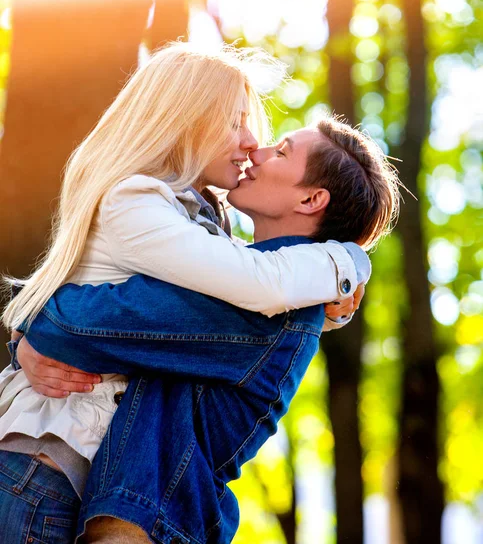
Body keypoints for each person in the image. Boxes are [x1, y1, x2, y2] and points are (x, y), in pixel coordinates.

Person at [0, 40, 367, 542]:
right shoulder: (138, 200)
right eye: (234, 121)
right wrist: (346, 260)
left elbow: (214, 311)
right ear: (185, 116)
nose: (251, 142)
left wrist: (325, 308)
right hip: (45, 466)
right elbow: (252, 286)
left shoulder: (198, 220)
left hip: (68, 476)